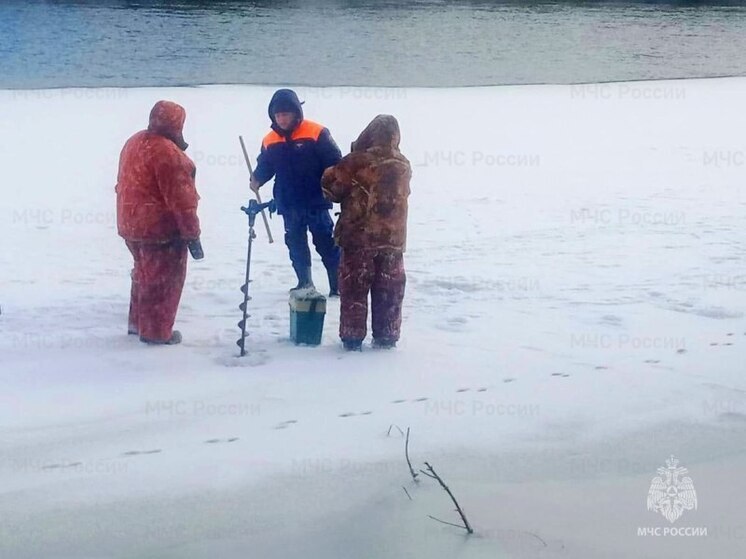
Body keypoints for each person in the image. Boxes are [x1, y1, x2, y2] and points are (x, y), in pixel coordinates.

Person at [115, 100, 203, 345]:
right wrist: (192, 234)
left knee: (143, 275)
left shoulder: (134, 142)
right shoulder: (169, 154)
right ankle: (156, 333)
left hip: (130, 224)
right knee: (165, 281)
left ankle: (137, 323)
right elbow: (183, 202)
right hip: (160, 230)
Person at [321, 115, 411, 351]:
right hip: (393, 240)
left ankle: (352, 338)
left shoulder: (356, 162)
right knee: (389, 290)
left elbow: (332, 189)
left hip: (358, 238)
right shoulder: (403, 164)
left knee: (354, 288)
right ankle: (387, 336)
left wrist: (335, 168)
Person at [250, 89, 342, 295]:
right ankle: (304, 282)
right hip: (288, 202)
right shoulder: (269, 140)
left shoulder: (316, 132)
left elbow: (336, 162)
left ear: (296, 113)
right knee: (296, 244)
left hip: (316, 201)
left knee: (326, 242)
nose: (281, 119)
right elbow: (265, 165)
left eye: (285, 114)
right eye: (278, 115)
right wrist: (257, 178)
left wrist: (333, 182)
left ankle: (338, 285)